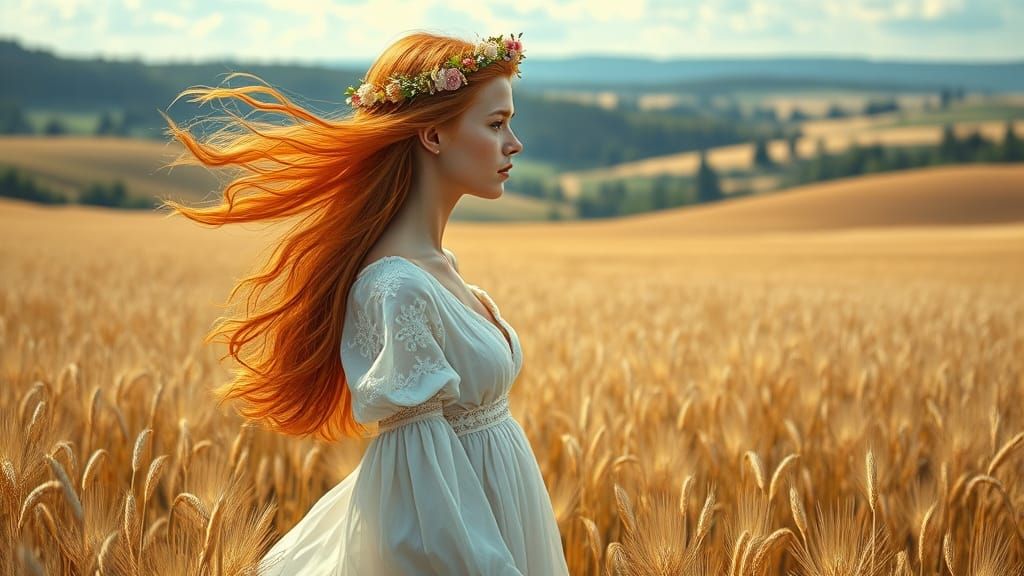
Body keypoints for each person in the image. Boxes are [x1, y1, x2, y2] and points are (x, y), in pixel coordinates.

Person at [160, 30, 569, 575]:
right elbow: (423, 504)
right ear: (432, 135)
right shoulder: (396, 287)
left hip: (506, 518)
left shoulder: (438, 268)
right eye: (496, 124)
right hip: (474, 547)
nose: (513, 144)